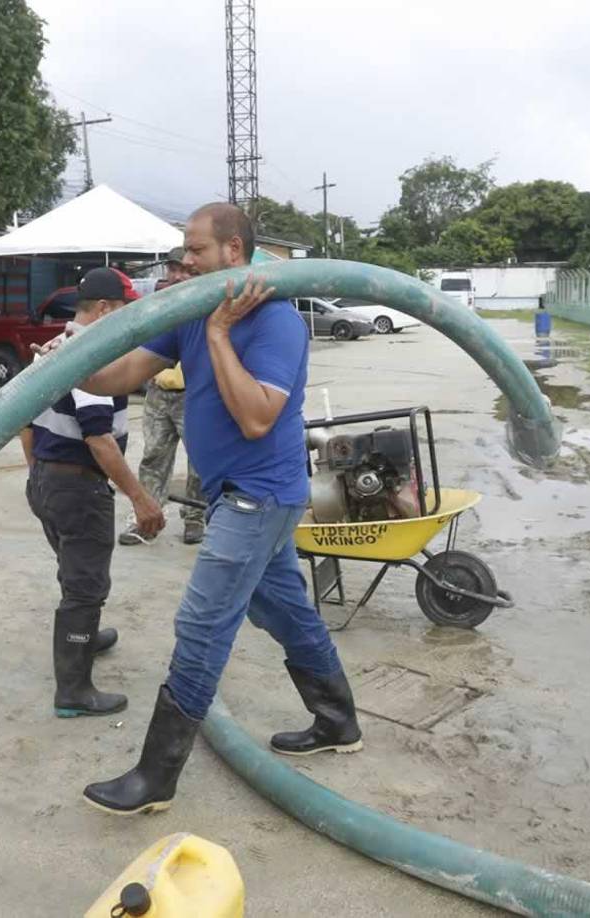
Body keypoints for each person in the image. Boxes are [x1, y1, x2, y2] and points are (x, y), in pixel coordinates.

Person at [75, 204, 363, 816]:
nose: (185, 261)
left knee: (202, 624)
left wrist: (216, 334)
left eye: (196, 250)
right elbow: (120, 374)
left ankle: (156, 776)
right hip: (237, 493)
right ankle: (338, 719)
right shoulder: (194, 309)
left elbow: (258, 417)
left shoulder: (277, 323)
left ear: (234, 251)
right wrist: (67, 363)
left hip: (262, 495)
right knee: (282, 611)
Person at [20, 268, 164, 718]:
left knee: (73, 569)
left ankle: (84, 637)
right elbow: (99, 440)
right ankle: (74, 691)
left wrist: (41, 473)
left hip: (47, 478)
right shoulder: (91, 357)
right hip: (76, 485)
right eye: (124, 310)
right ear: (104, 309)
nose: (129, 321)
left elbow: (24, 423)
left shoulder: (55, 347)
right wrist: (141, 497)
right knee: (85, 586)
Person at [118, 248, 206, 547]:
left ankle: (195, 519)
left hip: (193, 394)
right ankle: (147, 519)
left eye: (185, 269)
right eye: (173, 269)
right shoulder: (158, 305)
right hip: (159, 393)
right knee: (154, 456)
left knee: (199, 461)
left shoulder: (204, 305)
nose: (178, 275)